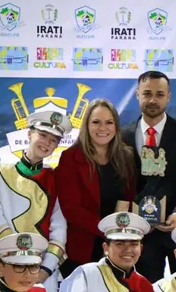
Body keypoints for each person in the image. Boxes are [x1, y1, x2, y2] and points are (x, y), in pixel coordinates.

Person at [122, 70, 176, 283]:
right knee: (145, 291)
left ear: (168, 97)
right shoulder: (123, 136)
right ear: (137, 95)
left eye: (159, 94)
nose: (153, 100)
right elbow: (122, 186)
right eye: (147, 93)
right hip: (142, 234)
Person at [0, 110, 68, 292]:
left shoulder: (55, 178)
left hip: (41, 269)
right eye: (43, 135)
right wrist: (14, 262)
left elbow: (59, 228)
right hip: (6, 265)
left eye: (53, 140)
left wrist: (45, 269)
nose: (47, 143)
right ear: (29, 133)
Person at [58, 99, 136, 276]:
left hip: (119, 248)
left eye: (109, 122)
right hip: (83, 248)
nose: (103, 128)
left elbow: (130, 198)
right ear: (86, 125)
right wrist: (107, 229)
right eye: (96, 122)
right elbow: (71, 209)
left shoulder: (126, 156)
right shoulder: (70, 158)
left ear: (116, 126)